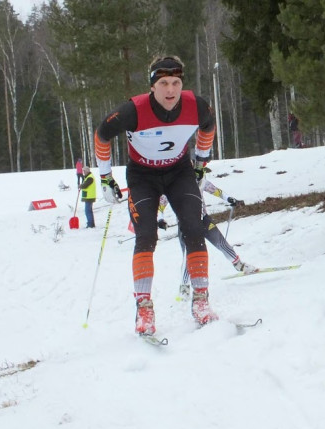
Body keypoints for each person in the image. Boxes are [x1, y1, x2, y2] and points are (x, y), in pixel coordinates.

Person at [93, 55, 218, 335]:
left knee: (193, 228)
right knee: (146, 235)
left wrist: (201, 164)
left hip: (179, 172)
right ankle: (144, 308)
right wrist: (105, 178)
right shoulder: (132, 111)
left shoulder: (195, 105)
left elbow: (209, 126)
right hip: (142, 177)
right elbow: (102, 134)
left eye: (175, 82)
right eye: (163, 83)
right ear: (152, 86)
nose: (170, 90)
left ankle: (201, 300)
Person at [157, 177, 259, 275]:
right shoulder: (172, 184)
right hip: (185, 224)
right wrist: (160, 219)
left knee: (220, 242)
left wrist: (229, 199)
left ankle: (239, 265)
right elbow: (160, 205)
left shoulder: (199, 179)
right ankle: (184, 287)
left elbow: (215, 190)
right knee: (188, 255)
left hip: (204, 219)